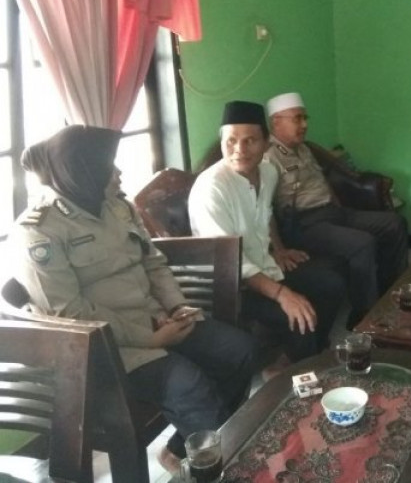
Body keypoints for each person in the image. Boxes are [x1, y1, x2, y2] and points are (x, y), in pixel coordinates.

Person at [9, 125, 256, 472]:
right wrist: (150, 337)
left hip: (157, 318)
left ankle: (185, 450)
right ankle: (227, 469)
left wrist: (176, 305)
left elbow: (153, 262)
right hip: (104, 348)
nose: (119, 173)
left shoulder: (118, 207)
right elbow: (70, 314)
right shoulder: (39, 230)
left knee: (239, 350)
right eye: (109, 166)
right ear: (83, 172)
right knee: (189, 385)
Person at [189, 101, 346, 362]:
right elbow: (230, 262)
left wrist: (279, 249)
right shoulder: (211, 188)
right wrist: (283, 294)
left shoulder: (268, 171)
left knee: (332, 284)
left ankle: (306, 357)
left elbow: (266, 213)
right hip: (229, 286)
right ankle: (300, 367)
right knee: (298, 315)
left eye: (250, 141)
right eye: (231, 141)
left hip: (264, 265)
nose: (239, 150)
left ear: (265, 143)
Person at [264, 92, 408, 329]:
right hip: (305, 225)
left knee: (394, 223)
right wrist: (278, 249)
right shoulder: (268, 158)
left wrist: (339, 208)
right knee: (362, 243)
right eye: (297, 118)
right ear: (276, 122)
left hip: (333, 213)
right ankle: (364, 314)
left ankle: (392, 292)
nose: (304, 124)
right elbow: (264, 208)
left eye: (305, 118)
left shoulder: (303, 148)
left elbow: (321, 182)